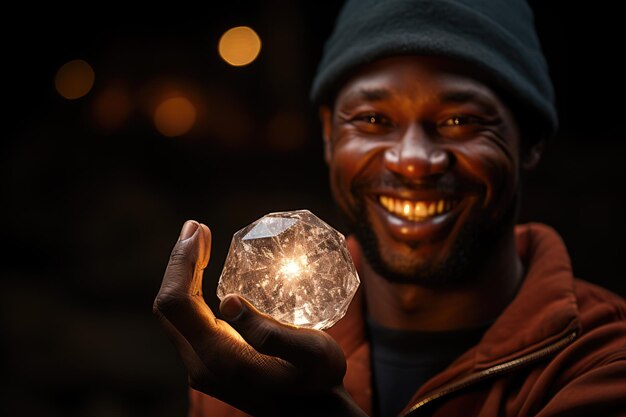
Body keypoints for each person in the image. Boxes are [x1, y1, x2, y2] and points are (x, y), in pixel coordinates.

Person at [153, 0, 626, 416]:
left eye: (460, 120)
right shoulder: (241, 364)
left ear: (532, 140)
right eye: (374, 119)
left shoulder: (604, 363)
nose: (413, 160)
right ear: (328, 133)